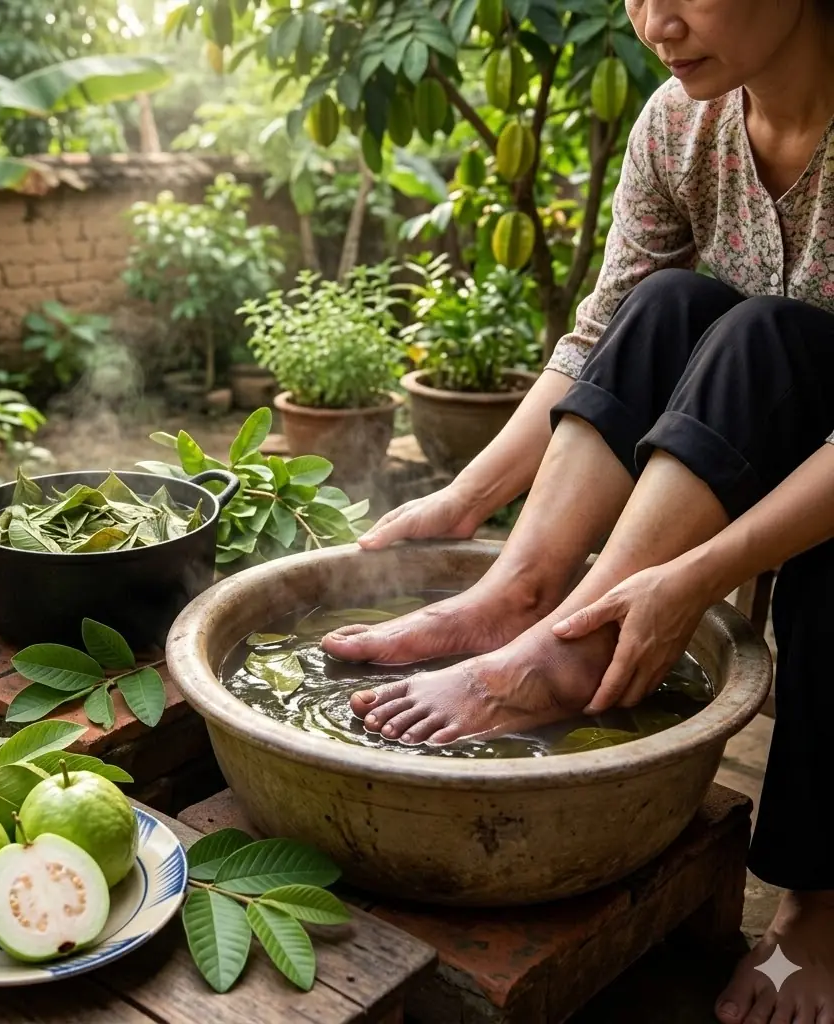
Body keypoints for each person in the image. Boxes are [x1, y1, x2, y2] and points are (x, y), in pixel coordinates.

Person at [318, 2, 834, 1022]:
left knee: (768, 356)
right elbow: (601, 333)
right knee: (667, 309)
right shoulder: (679, 124)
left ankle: (817, 904)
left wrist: (687, 578)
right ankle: (523, 601)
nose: (654, 22)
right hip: (763, 431)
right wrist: (467, 500)